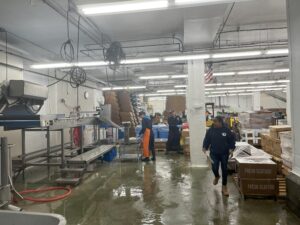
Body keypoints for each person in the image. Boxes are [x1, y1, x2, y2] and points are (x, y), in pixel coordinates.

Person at [202, 116, 236, 196]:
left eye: (216, 122)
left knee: (224, 170)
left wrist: (231, 148)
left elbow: (231, 140)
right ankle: (217, 176)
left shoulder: (226, 130)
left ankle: (224, 187)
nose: (214, 124)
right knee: (214, 167)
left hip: (224, 153)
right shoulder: (211, 130)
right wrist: (204, 147)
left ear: (220, 122)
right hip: (214, 153)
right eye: (214, 122)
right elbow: (207, 139)